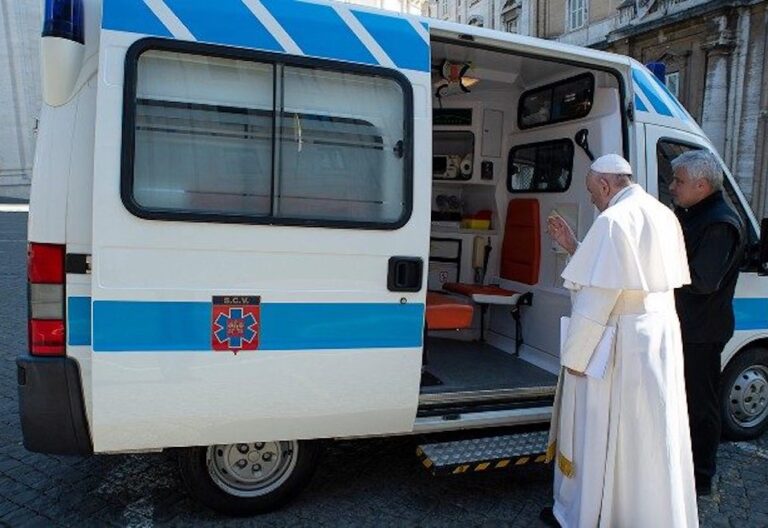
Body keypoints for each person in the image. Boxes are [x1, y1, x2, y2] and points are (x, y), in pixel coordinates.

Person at [542, 154, 698, 527]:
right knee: (649, 431)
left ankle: (594, 515)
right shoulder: (662, 213)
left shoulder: (612, 220)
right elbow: (623, 275)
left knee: (604, 432)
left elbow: (596, 301)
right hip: (657, 337)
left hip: (620, 343)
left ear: (606, 185)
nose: (593, 200)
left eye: (592, 192)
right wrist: (576, 247)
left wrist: (575, 358)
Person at [669, 150, 745, 497]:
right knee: (683, 402)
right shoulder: (693, 212)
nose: (672, 187)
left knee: (701, 405)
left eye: (679, 181)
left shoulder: (719, 222)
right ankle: (681, 467)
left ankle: (700, 477)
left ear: (701, 185)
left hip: (700, 332)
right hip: (685, 326)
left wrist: (657, 272)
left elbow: (703, 280)